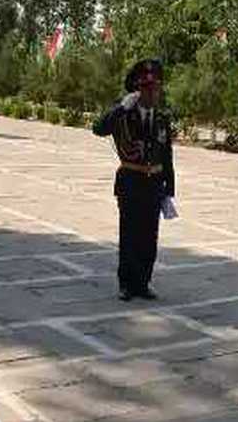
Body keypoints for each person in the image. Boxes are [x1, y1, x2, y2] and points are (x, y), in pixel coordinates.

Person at [93, 59, 175, 301]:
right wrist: (120, 108)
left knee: (150, 236)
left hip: (153, 184)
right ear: (137, 91)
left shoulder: (161, 117)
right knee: (129, 235)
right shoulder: (124, 114)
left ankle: (143, 282)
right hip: (130, 181)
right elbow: (98, 128)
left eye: (156, 89)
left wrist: (169, 188)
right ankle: (126, 284)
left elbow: (167, 154)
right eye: (148, 90)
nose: (153, 94)